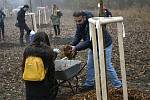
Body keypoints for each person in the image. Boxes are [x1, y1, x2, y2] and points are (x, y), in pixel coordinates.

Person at [70, 10, 122, 92]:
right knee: (90, 64)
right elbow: (78, 35)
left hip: (104, 44)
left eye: (79, 21)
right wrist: (72, 45)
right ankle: (89, 84)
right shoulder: (80, 23)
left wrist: (76, 48)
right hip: (93, 46)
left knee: (107, 65)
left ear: (84, 17)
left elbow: (88, 41)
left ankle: (118, 85)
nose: (77, 23)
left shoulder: (92, 23)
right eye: (76, 21)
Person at [22, 32, 58, 100]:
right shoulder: (48, 51)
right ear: (46, 39)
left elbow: (23, 67)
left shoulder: (27, 50)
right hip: (43, 83)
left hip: (29, 82)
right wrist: (52, 84)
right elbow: (51, 71)